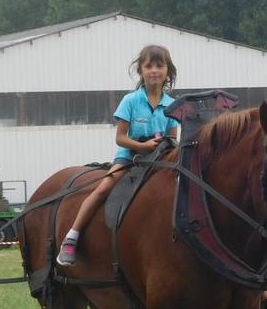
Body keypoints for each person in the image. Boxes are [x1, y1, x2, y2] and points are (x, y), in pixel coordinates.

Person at [57, 44, 180, 266]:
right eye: (148, 65)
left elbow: (172, 141)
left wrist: (164, 147)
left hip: (160, 163)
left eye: (159, 66)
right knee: (103, 188)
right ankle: (72, 237)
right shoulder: (130, 101)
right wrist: (144, 147)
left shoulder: (172, 106)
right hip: (129, 159)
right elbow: (120, 138)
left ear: (167, 71)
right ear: (141, 71)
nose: (154, 70)